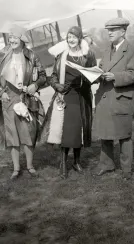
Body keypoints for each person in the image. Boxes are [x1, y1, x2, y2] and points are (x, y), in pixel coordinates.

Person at [39, 26, 96, 179]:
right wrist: (56, 85)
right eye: (69, 37)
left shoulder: (87, 55)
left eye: (74, 37)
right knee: (65, 130)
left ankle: (76, 161)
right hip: (65, 96)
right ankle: (63, 163)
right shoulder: (61, 56)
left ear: (79, 39)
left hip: (81, 96)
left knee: (79, 129)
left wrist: (91, 77)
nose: (71, 40)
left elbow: (95, 74)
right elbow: (53, 76)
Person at [93, 18, 134, 180]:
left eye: (114, 30)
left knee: (124, 135)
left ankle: (126, 170)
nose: (110, 33)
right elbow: (101, 69)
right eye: (108, 30)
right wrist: (95, 75)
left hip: (121, 98)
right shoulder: (107, 51)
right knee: (105, 133)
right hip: (105, 97)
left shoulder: (133, 51)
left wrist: (115, 76)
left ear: (123, 31)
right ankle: (107, 165)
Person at [0, 25, 46, 180]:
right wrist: (1, 93)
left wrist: (35, 85)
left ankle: (30, 166)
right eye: (10, 37)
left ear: (22, 40)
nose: (12, 40)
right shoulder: (3, 55)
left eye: (15, 37)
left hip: (25, 98)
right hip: (8, 99)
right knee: (12, 134)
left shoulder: (31, 56)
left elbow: (43, 75)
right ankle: (16, 169)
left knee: (27, 132)